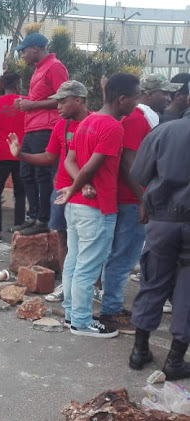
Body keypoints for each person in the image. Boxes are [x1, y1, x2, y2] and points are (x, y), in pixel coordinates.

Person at [55, 73, 140, 338]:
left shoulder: (87, 121)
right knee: (88, 267)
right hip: (97, 207)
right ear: (122, 99)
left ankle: (71, 315)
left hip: (77, 206)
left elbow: (71, 159)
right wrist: (78, 186)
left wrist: (73, 188)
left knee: (74, 262)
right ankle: (81, 321)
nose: (136, 104)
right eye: (135, 98)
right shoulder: (113, 127)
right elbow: (94, 165)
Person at [98, 74, 181, 334]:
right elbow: (128, 162)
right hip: (131, 199)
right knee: (124, 257)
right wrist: (142, 198)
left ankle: (112, 306)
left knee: (122, 255)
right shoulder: (136, 119)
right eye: (163, 93)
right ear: (147, 94)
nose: (167, 98)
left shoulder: (142, 118)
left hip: (131, 198)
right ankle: (110, 310)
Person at [7, 81, 90, 303]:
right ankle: (66, 284)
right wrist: (21, 156)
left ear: (78, 100)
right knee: (61, 238)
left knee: (87, 243)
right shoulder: (61, 126)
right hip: (61, 192)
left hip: (87, 193)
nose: (58, 105)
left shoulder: (95, 124)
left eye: (63, 101)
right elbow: (48, 157)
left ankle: (93, 288)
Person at [127, 95, 190, 380]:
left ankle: (140, 351)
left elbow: (139, 173)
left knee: (153, 280)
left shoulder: (163, 131)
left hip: (163, 221)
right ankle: (175, 360)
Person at [13, 33, 69, 235]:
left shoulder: (55, 66)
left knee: (41, 175)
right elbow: (41, 97)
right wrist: (24, 100)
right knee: (26, 174)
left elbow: (65, 98)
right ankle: (34, 216)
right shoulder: (40, 69)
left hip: (46, 128)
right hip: (33, 127)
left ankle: (43, 220)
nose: (22, 56)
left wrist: (32, 104)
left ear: (35, 49)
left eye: (23, 51)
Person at [0, 73, 26, 243]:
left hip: (1, 152)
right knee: (21, 192)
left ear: (4, 86)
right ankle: (19, 230)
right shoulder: (27, 101)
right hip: (22, 153)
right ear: (17, 85)